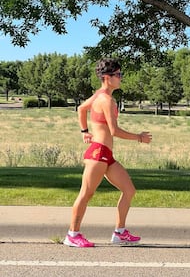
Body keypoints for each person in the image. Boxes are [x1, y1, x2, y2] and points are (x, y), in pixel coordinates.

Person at [64, 58, 152, 248]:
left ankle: (119, 233)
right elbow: (114, 131)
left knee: (129, 190)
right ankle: (72, 234)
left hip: (106, 155)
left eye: (120, 74)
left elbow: (81, 109)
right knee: (85, 194)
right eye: (118, 75)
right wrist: (139, 137)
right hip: (98, 154)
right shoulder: (106, 100)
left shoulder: (98, 95)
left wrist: (84, 131)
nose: (121, 78)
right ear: (106, 77)